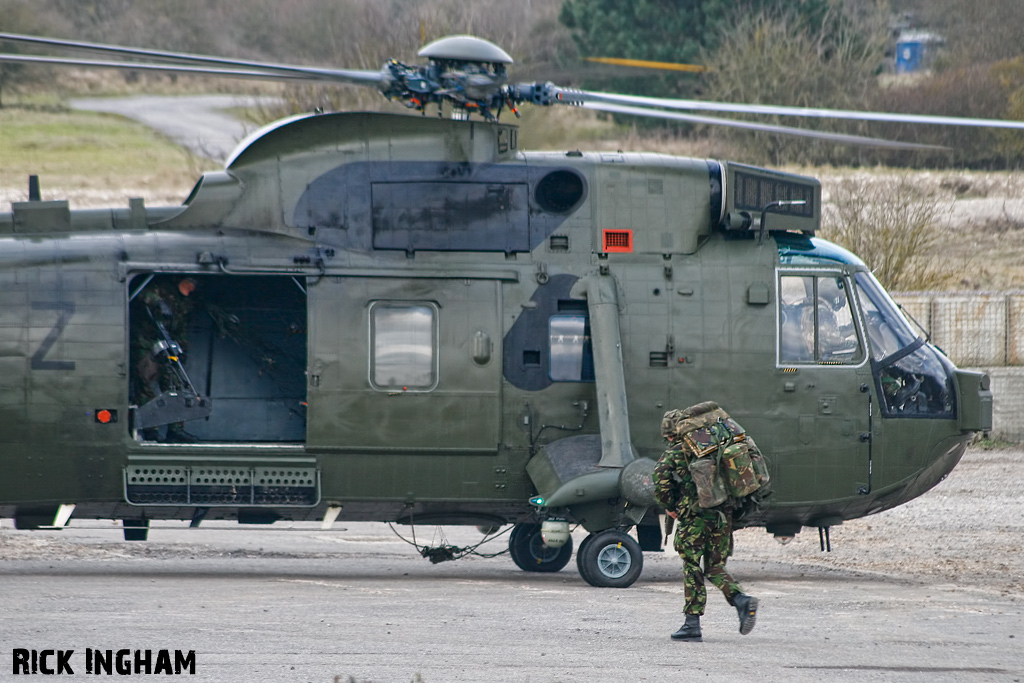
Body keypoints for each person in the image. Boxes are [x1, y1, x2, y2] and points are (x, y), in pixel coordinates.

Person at [653, 407, 759, 642]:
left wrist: (669, 506)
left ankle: (692, 624)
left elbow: (659, 478)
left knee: (692, 565)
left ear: (673, 434)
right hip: (723, 515)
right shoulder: (715, 445)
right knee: (715, 567)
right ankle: (741, 600)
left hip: (694, 518)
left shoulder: (678, 452)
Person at [130, 276, 199, 442]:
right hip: (145, 344)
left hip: (167, 346)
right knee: (146, 387)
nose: (191, 288)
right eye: (190, 284)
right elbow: (141, 295)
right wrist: (158, 303)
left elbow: (180, 328)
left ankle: (175, 429)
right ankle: (150, 430)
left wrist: (181, 350)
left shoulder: (185, 303)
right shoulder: (161, 289)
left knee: (175, 386)